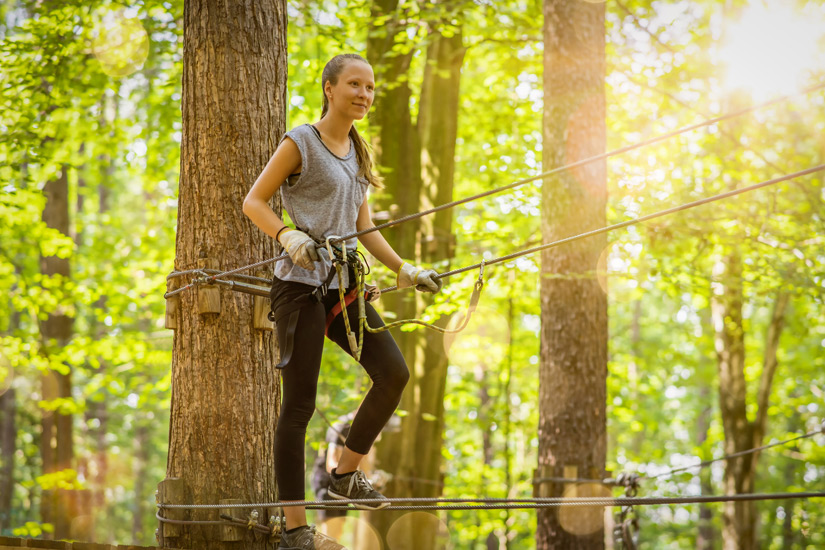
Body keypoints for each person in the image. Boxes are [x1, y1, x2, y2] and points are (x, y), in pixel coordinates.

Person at [243, 53, 442, 550]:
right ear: (329, 87)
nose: (364, 94)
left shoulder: (358, 151)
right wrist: (287, 235)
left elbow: (362, 226)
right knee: (299, 406)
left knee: (394, 373)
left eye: (370, 88)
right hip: (300, 285)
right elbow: (254, 201)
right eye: (354, 84)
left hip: (345, 286)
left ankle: (346, 474)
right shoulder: (301, 141)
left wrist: (405, 270)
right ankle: (294, 529)